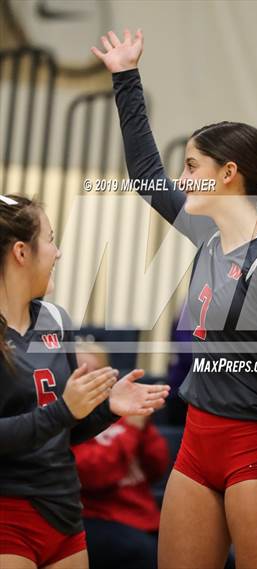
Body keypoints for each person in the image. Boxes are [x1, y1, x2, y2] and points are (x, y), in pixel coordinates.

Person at [92, 29, 257, 569]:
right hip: (197, 439)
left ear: (228, 175)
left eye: (193, 167)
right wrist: (126, 77)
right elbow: (146, 179)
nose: (183, 177)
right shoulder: (207, 236)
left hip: (255, 450)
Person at [0, 195, 170, 569]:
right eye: (50, 238)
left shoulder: (56, 320)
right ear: (21, 253)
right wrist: (63, 410)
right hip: (8, 514)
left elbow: (64, 430)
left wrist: (108, 409)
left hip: (64, 512)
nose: (58, 252)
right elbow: (55, 417)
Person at [73, 345, 170, 569]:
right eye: (82, 373)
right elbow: (95, 477)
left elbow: (157, 469)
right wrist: (132, 432)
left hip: (144, 518)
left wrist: (144, 428)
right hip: (99, 519)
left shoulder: (123, 413)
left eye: (97, 373)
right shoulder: (68, 423)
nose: (92, 380)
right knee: (151, 558)